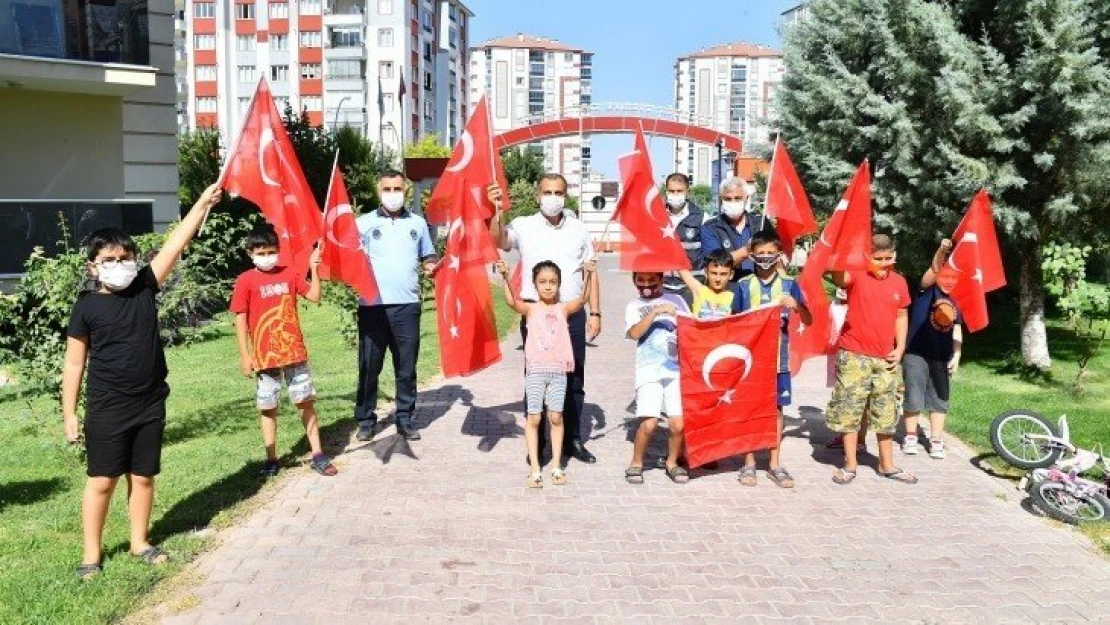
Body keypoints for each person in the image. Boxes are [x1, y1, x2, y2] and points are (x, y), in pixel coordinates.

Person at [62, 183, 223, 579]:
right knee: (102, 480)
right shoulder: (86, 307)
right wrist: (69, 414)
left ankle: (139, 541)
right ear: (92, 266)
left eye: (126, 257)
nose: (120, 263)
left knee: (144, 476)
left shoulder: (143, 287)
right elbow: (74, 364)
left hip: (149, 401)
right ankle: (91, 554)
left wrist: (202, 203)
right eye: (110, 258)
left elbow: (173, 245)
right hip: (107, 406)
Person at [489, 174, 601, 464]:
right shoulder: (524, 225)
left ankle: (573, 439)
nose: (553, 197)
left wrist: (596, 313)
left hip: (570, 312)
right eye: (548, 192)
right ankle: (536, 443)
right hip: (536, 314)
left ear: (566, 195)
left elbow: (590, 272)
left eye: (559, 192)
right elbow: (499, 239)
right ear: (538, 196)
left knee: (574, 377)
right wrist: (497, 211)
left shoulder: (578, 228)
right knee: (536, 376)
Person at [230, 225, 336, 478]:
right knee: (268, 408)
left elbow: (314, 296)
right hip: (265, 358)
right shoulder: (246, 280)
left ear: (278, 251)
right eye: (262, 252)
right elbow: (241, 319)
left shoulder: (289, 274)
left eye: (271, 251)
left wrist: (314, 268)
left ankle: (318, 454)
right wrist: (246, 356)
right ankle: (271, 458)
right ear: (250, 253)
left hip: (294, 354)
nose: (267, 256)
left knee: (305, 402)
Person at [495, 258, 597, 487]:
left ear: (559, 284)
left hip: (558, 372)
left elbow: (582, 299)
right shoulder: (530, 309)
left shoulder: (563, 309)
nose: (548, 286)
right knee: (534, 418)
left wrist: (588, 275)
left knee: (556, 417)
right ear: (535, 284)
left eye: (553, 282)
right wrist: (504, 275)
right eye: (543, 282)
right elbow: (512, 302)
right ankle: (534, 470)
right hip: (535, 372)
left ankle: (556, 466)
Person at [354, 170, 438, 442]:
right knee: (369, 366)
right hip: (372, 306)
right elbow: (348, 258)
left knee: (406, 366)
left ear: (406, 191)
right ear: (379, 191)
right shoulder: (362, 223)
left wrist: (430, 266)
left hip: (407, 306)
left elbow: (428, 254)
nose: (393, 194)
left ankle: (405, 417)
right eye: (387, 189)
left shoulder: (418, 223)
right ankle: (366, 419)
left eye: (398, 189)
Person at [826, 234, 915, 485]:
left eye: (888, 258)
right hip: (854, 355)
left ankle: (887, 465)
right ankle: (850, 465)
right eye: (878, 259)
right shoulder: (856, 275)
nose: (884, 264)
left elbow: (901, 316)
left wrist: (900, 349)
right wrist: (843, 246)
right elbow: (837, 274)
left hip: (885, 358)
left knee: (886, 412)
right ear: (868, 257)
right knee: (850, 411)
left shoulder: (899, 282)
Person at [731, 230, 812, 488]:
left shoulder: (789, 285)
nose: (765, 258)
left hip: (779, 360)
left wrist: (796, 306)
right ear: (751, 255)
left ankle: (775, 463)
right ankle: (749, 461)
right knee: (750, 409)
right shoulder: (744, 286)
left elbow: (809, 320)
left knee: (776, 410)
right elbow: (732, 322)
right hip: (751, 361)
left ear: (778, 254)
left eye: (770, 253)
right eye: (760, 253)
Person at [623, 271, 691, 484]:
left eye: (652, 280)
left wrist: (677, 317)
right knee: (649, 424)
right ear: (634, 281)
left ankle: (671, 462)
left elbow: (690, 328)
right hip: (649, 369)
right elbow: (634, 334)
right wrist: (655, 312)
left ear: (662, 280)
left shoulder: (677, 300)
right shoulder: (634, 305)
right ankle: (636, 462)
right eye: (641, 280)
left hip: (675, 369)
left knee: (678, 424)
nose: (647, 284)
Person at [903, 239, 963, 459]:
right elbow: (933, 270)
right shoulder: (926, 290)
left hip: (941, 355)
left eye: (952, 277)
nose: (948, 280)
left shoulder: (956, 300)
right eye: (944, 276)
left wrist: (956, 355)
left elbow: (957, 330)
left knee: (940, 397)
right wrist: (942, 250)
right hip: (916, 351)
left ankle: (936, 439)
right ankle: (910, 435)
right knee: (913, 394)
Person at [699, 176, 758, 283]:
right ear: (720, 200)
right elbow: (716, 264)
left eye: (738, 198)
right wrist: (747, 250)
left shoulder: (760, 224)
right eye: (728, 199)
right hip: (727, 290)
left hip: (758, 289)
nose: (733, 202)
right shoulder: (711, 228)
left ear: (746, 198)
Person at [662, 173, 708, 306]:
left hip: (691, 286)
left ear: (687, 192)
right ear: (666, 191)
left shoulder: (702, 217)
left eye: (679, 191)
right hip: (663, 286)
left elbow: (708, 253)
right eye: (671, 191)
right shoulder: (657, 216)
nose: (675, 194)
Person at [677, 249, 735, 321]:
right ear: (706, 272)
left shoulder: (734, 298)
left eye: (723, 274)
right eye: (714, 273)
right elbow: (680, 266)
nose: (718, 279)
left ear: (731, 274)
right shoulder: (699, 290)